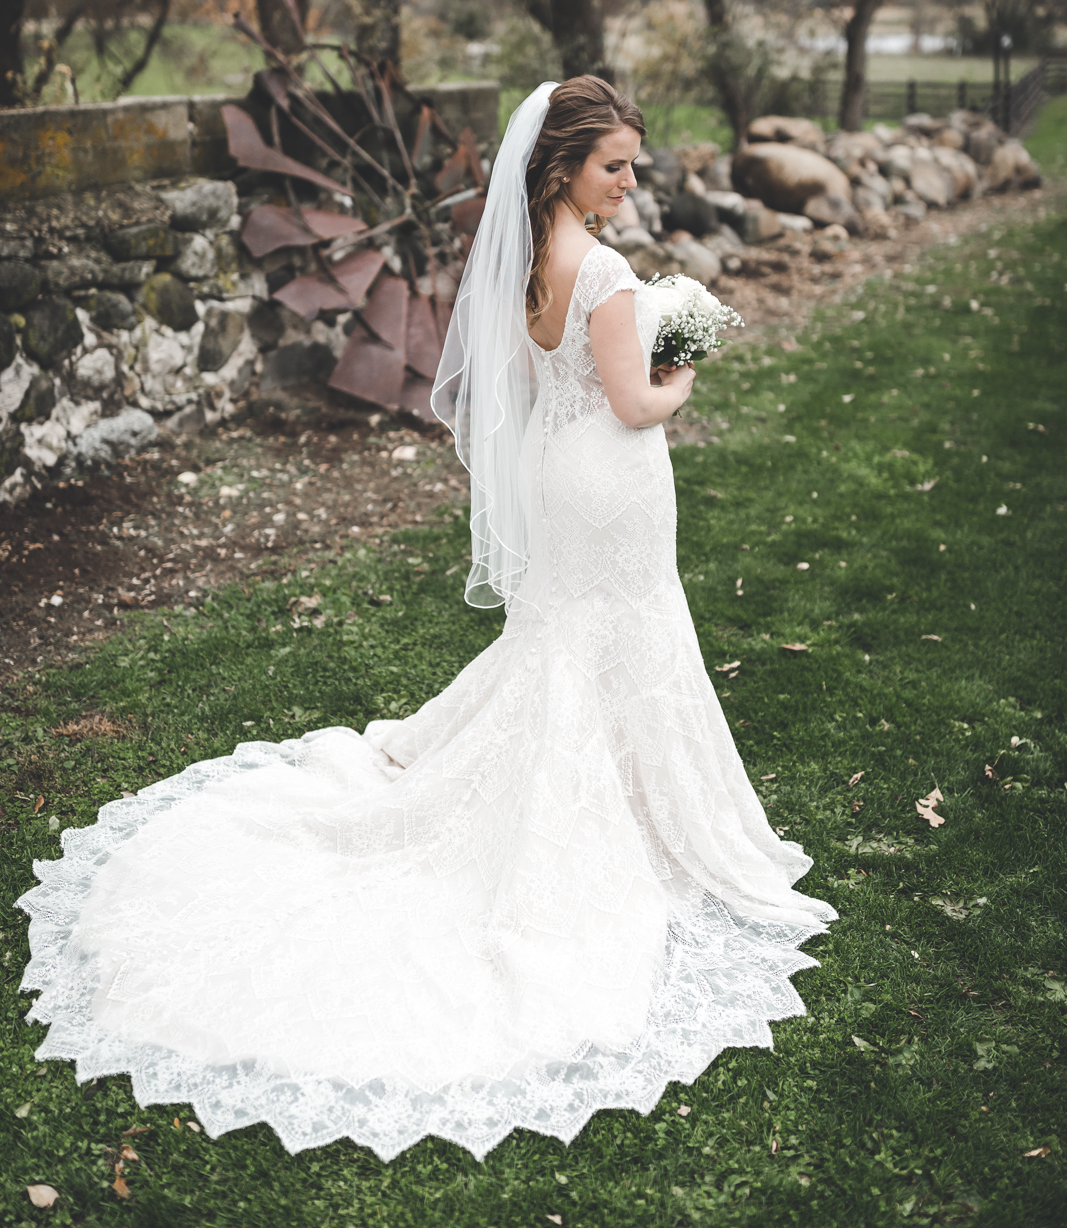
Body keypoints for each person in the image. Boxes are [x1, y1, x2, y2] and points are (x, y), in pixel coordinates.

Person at [17, 77, 835, 1163]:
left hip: (555, 473)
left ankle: (607, 798)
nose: (629, 181)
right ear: (562, 167)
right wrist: (682, 367)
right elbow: (634, 403)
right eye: (613, 165)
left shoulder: (519, 259)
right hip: (609, 480)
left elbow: (536, 383)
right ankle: (623, 821)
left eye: (632, 164)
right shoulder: (601, 272)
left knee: (564, 641)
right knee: (616, 634)